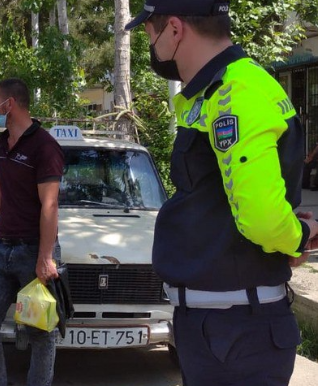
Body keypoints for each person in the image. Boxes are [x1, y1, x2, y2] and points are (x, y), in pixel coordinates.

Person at [125, 1, 318, 385]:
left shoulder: (236, 92)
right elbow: (221, 199)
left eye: (151, 32)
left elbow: (261, 216)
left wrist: (296, 239)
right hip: (221, 328)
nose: (151, 45)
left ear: (175, 30)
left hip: (236, 332)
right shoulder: (218, 92)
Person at [0, 78, 64, 386]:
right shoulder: (2, 141)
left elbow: (49, 205)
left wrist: (45, 256)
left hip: (33, 250)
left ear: (9, 104)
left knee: (40, 332)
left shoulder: (45, 146)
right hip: (2, 248)